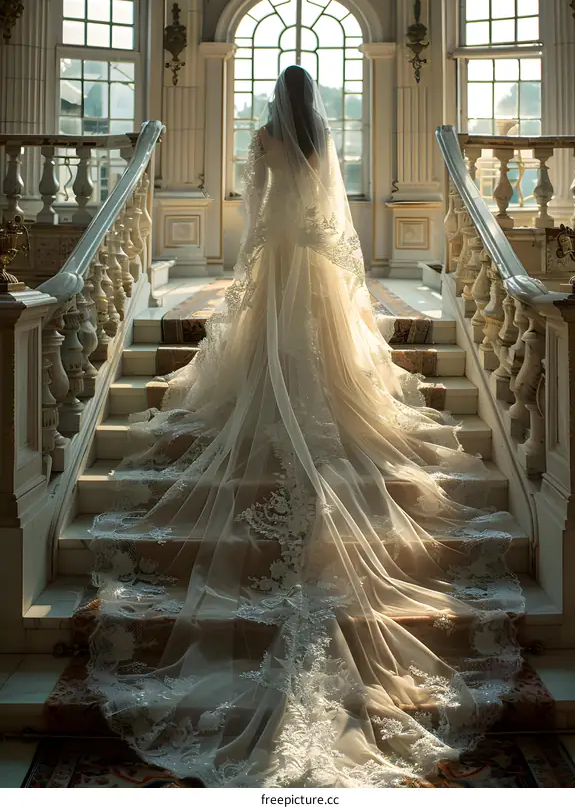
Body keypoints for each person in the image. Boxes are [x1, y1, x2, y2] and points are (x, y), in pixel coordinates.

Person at [87, 66, 522, 788]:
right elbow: (335, 215)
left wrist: (253, 260)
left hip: (281, 260)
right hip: (316, 263)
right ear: (310, 103)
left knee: (267, 355)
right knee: (330, 358)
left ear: (273, 105)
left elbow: (255, 210)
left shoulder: (263, 139)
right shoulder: (320, 142)